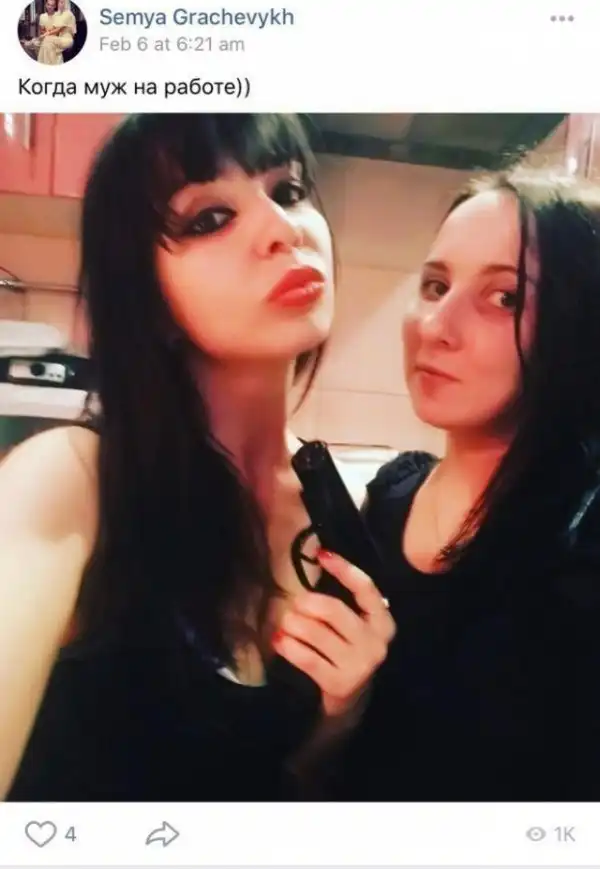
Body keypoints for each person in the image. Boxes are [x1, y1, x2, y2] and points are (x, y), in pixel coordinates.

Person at [0, 114, 394, 801]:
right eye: (210, 218)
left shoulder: (342, 511)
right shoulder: (72, 480)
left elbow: (270, 778)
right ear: (146, 295)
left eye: (289, 191)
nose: (283, 228)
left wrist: (341, 715)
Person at [326, 164, 600, 801]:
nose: (434, 326)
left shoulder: (582, 541)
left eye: (505, 298)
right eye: (435, 285)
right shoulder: (389, 500)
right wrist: (336, 713)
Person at [31, 0, 76, 65]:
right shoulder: (42, 16)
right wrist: (46, 34)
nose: (50, 7)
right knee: (41, 42)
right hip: (47, 36)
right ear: (46, 5)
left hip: (56, 37)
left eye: (52, 5)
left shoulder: (59, 15)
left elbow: (58, 30)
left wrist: (48, 34)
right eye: (48, 4)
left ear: (55, 6)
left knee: (47, 43)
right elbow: (42, 30)